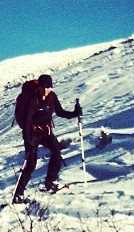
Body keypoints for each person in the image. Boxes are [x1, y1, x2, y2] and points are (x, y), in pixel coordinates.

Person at [12, 74, 82, 203]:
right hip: (32, 133)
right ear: (39, 86)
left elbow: (60, 112)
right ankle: (18, 195)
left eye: (49, 87)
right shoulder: (32, 98)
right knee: (31, 163)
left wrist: (75, 113)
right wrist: (29, 139)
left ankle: (50, 182)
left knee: (56, 151)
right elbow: (26, 121)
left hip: (46, 131)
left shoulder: (51, 96)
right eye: (44, 87)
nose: (47, 90)